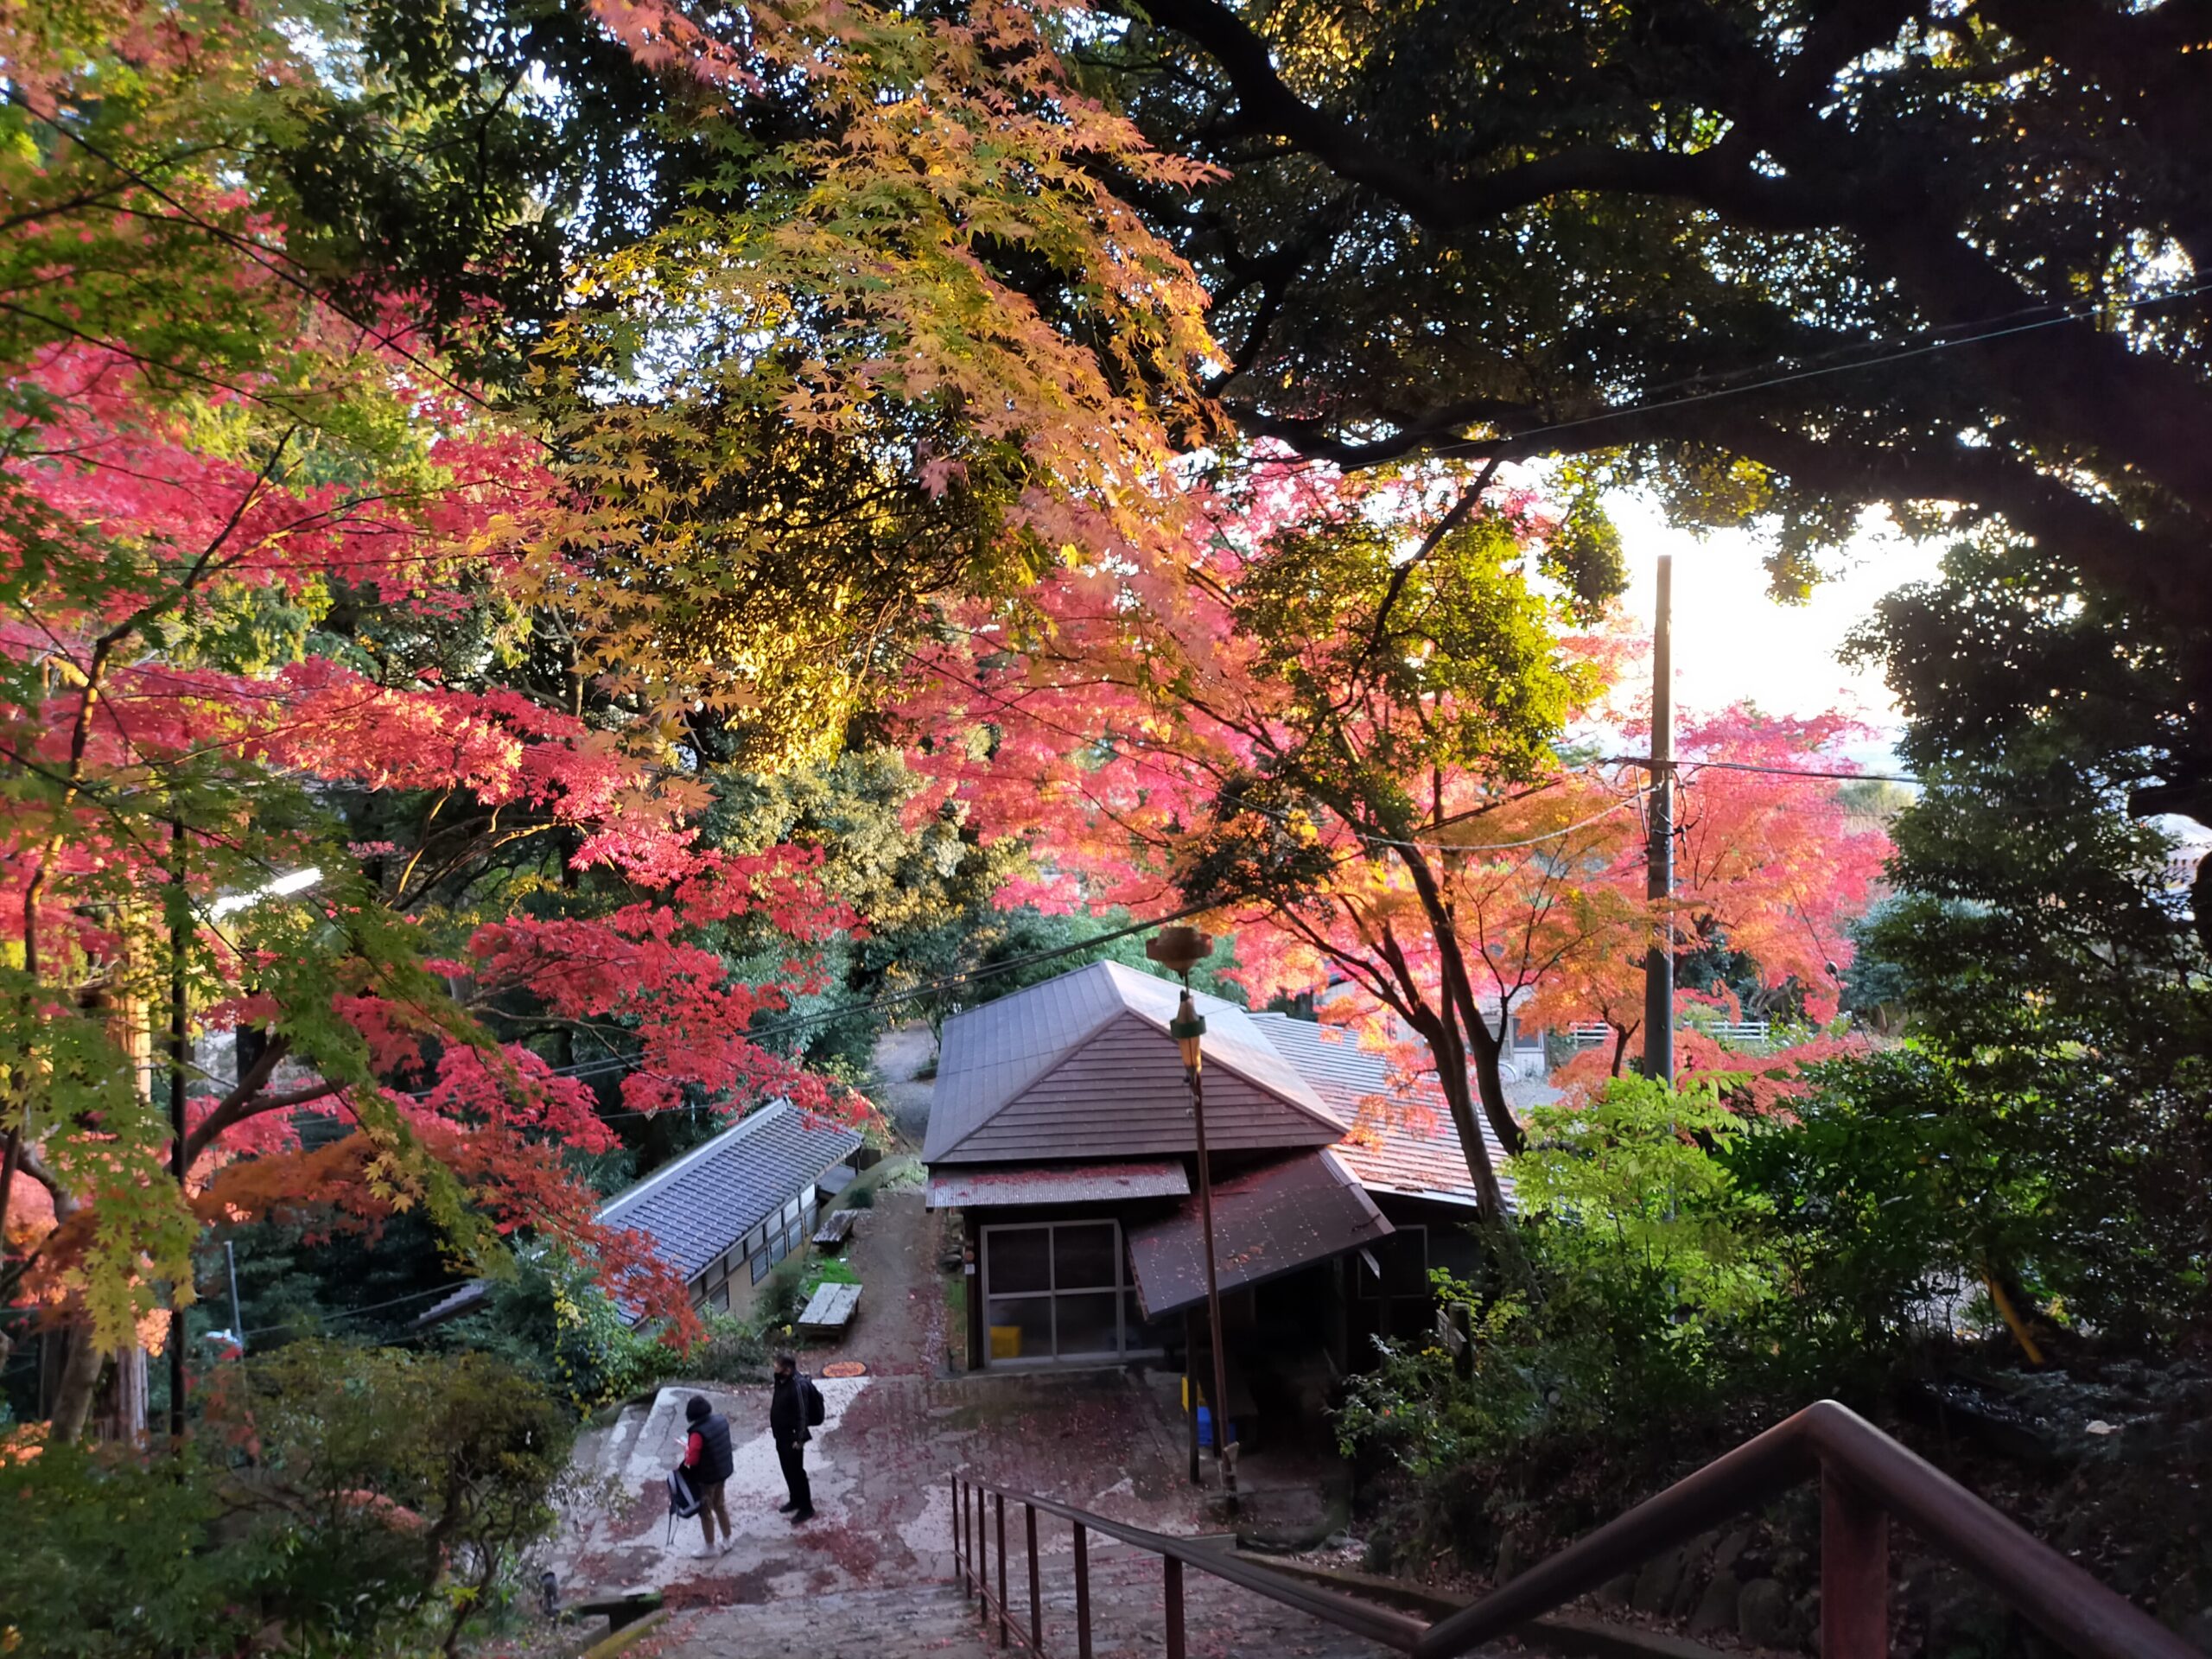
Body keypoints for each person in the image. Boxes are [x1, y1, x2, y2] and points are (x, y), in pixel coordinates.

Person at [682, 1394, 735, 1557]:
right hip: (722, 1471)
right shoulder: (720, 1420)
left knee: (705, 1511)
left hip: (707, 1477)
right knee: (720, 1505)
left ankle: (709, 1547)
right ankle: (727, 1540)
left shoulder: (697, 1433)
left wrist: (687, 1450)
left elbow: (692, 1459)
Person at [769, 1351, 815, 1523]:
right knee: (788, 1470)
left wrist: (800, 1439)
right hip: (781, 1436)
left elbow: (802, 1414)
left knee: (797, 1473)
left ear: (787, 1370)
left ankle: (806, 1508)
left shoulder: (797, 1386)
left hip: (793, 1438)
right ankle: (795, 1499)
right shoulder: (781, 1381)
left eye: (778, 1366)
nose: (775, 1368)